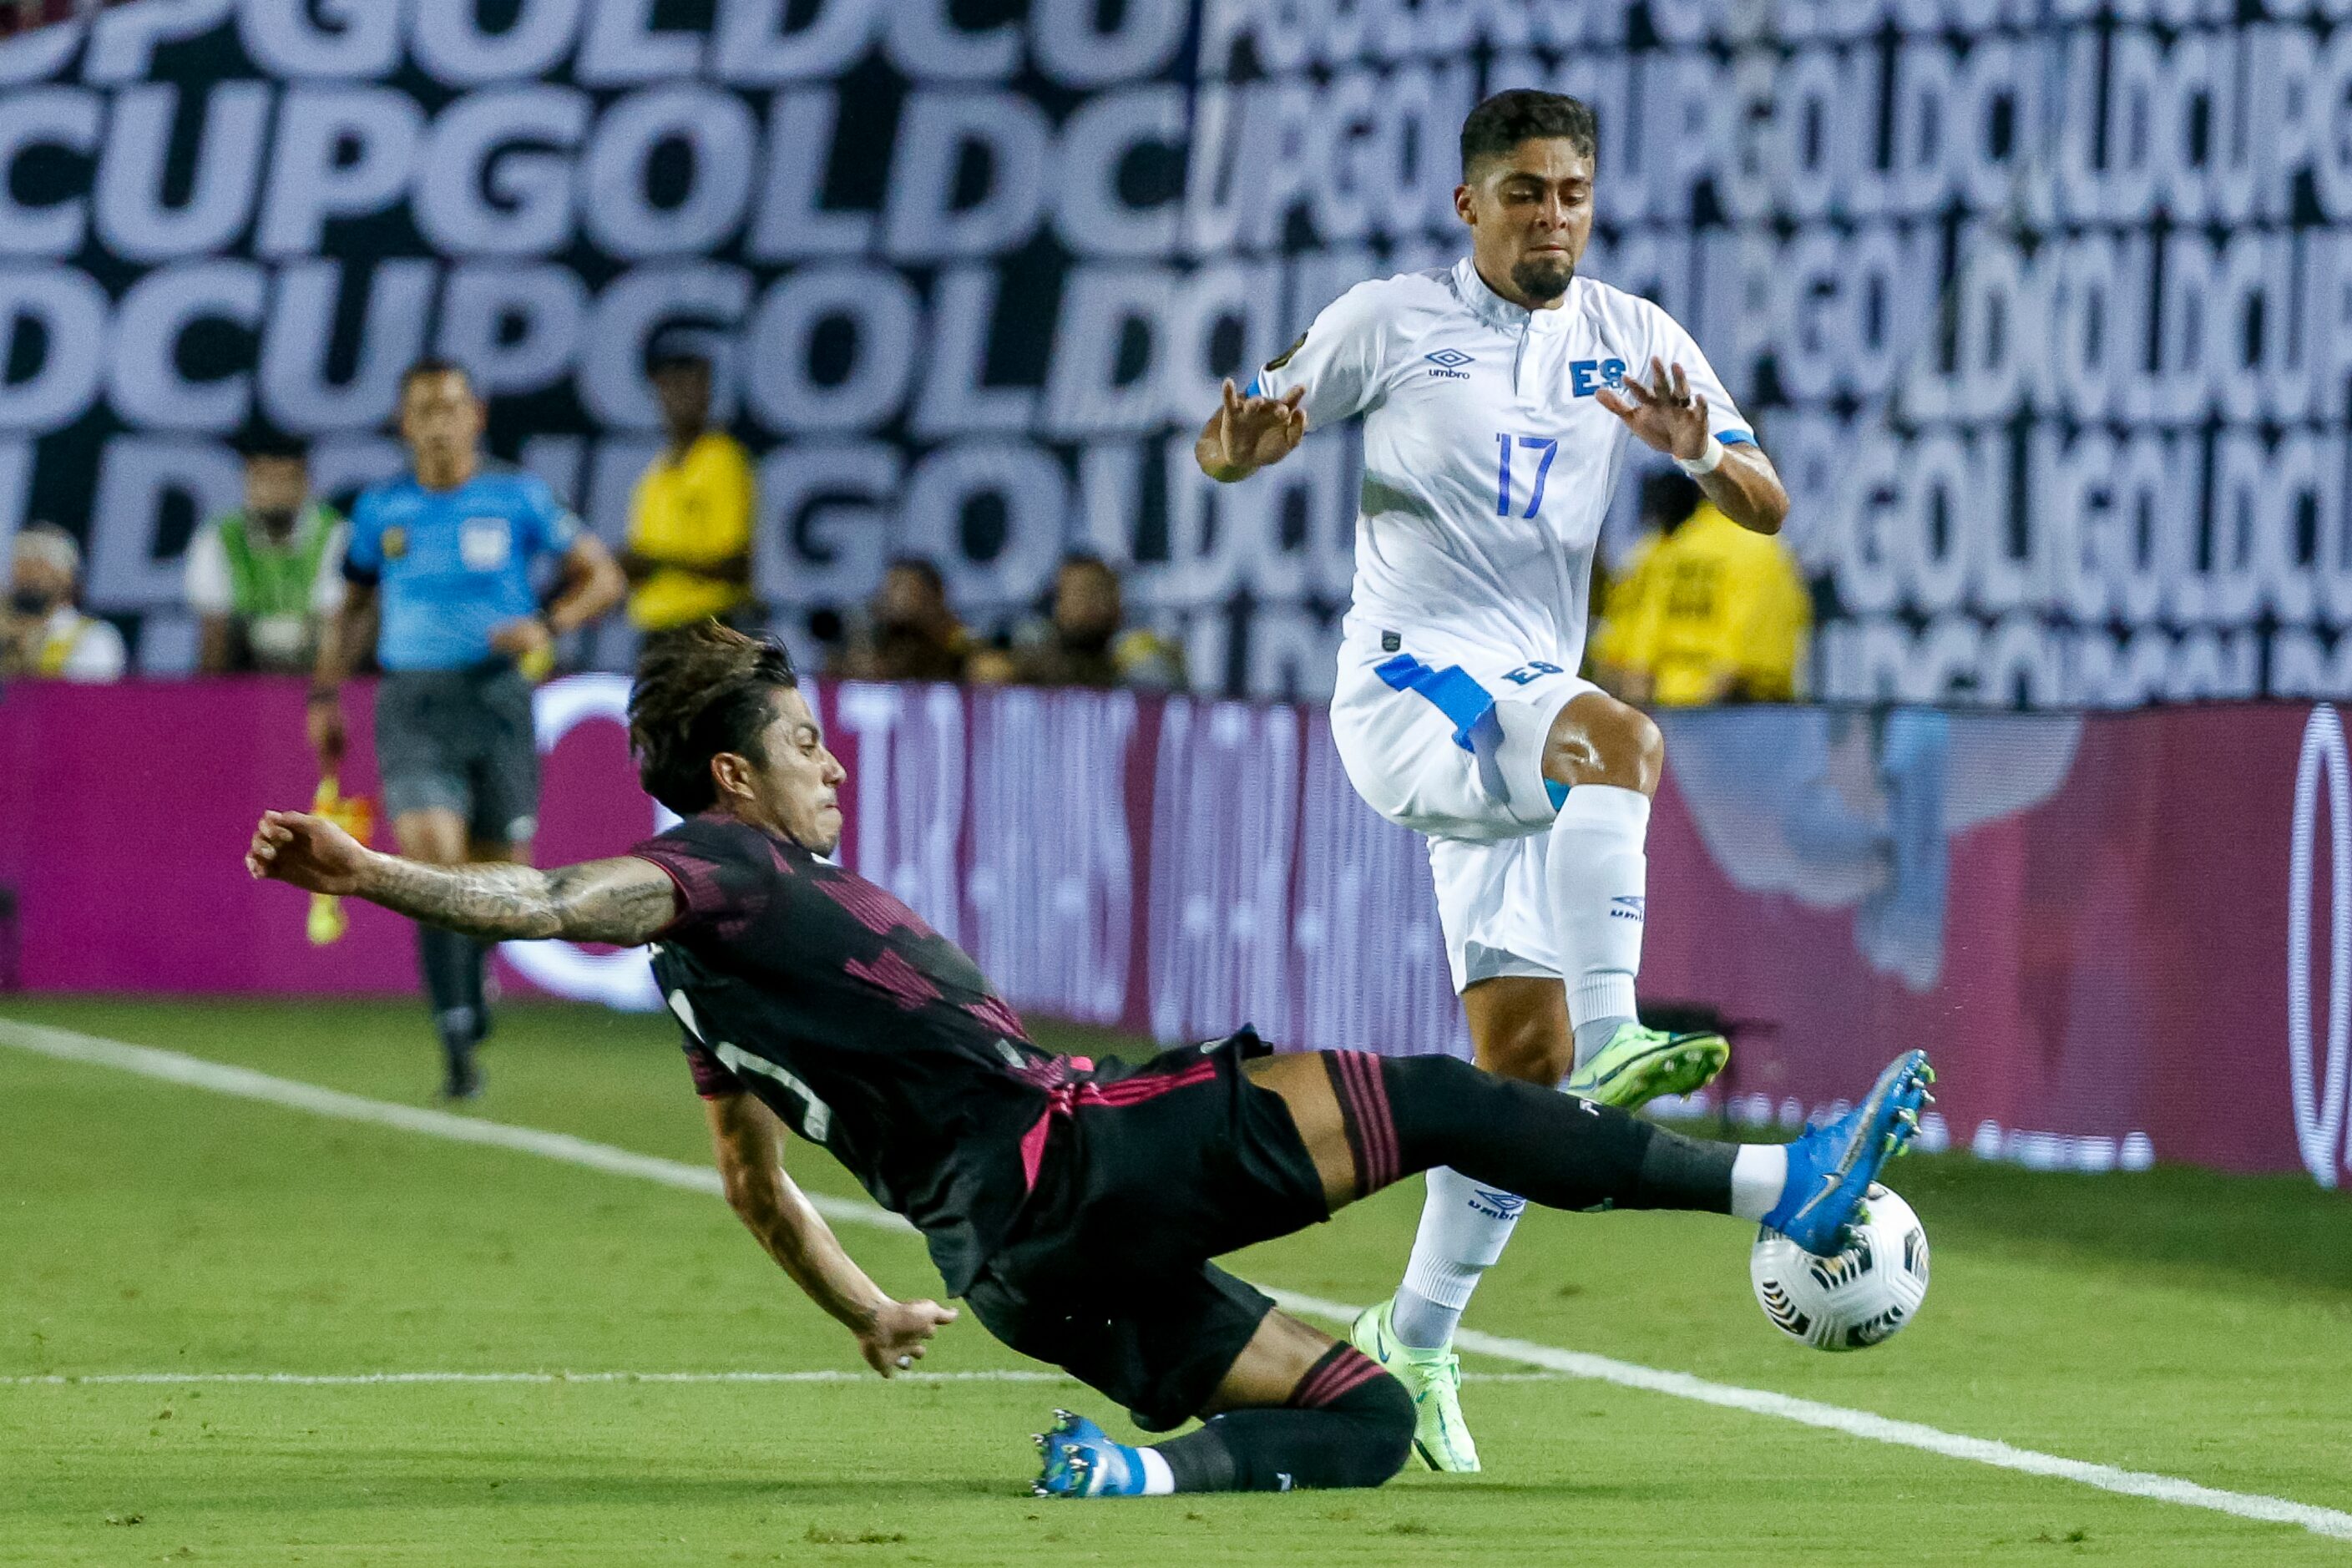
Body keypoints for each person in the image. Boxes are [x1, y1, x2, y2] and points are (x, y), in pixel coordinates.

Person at [244, 622, 1934, 1500]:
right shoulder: (721, 874)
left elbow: (759, 1195)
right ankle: (1785, 1185)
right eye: (802, 744)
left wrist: (873, 1311)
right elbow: (549, 891)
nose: (829, 766)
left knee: (1356, 1424)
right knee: (1442, 1099)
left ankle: (1138, 1477)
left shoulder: (709, 993)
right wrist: (373, 871)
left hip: (1006, 1275)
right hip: (1074, 1157)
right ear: (727, 777)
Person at [1193, 89, 1794, 1470]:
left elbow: (1765, 499)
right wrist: (1237, 451)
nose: (1551, 215)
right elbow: (1230, 437)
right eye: (1524, 191)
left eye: (1572, 191)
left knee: (1517, 1069)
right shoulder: (1388, 321)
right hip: (1413, 685)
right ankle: (1623, 1025)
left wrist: (1698, 448)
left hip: (1516, 718)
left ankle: (1414, 1329)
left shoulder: (1631, 335)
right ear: (1467, 204)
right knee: (1622, 742)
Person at [308, 358, 626, 1100]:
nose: (440, 421)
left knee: (500, 878)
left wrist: (549, 622)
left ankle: (473, 985)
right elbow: (352, 606)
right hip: (414, 701)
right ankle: (455, 1036)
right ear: (406, 422)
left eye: (452, 407)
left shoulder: (518, 496)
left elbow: (603, 576)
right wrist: (325, 694)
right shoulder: (381, 509)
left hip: (498, 702)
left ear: (475, 417)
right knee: (435, 865)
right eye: (425, 409)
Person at [1592, 471, 1811, 706]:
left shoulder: (1674, 546)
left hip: (1668, 711)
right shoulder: (1764, 551)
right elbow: (1742, 665)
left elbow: (1637, 660)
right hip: (1738, 717)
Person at [620, 345, 757, 641]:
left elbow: (737, 565)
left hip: (707, 626)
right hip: (655, 629)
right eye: (674, 385)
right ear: (658, 392)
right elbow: (641, 559)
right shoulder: (654, 475)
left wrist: (656, 562)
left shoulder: (722, 459)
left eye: (695, 385)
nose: (685, 396)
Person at [185, 437, 348, 675]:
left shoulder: (334, 532)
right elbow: (214, 624)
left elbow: (336, 620)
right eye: (264, 478)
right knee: (219, 628)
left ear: (305, 483)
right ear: (247, 481)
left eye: (286, 479)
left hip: (311, 650)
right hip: (245, 655)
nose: (274, 490)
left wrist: (324, 694)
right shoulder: (218, 536)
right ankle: (216, 705)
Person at [984, 554, 1188, 691]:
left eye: (1103, 592)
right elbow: (987, 672)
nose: (1093, 603)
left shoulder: (1141, 660)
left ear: (1118, 604)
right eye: (1081, 593)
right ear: (1058, 604)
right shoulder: (1026, 655)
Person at [1, 524, 124, 682]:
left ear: (67, 577)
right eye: (21, 565)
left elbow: (82, 700)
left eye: (40, 565)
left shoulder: (95, 637)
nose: (28, 576)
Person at [828, 556, 973, 683]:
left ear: (931, 594)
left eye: (899, 586)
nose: (887, 595)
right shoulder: (886, 636)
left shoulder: (957, 638)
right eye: (887, 587)